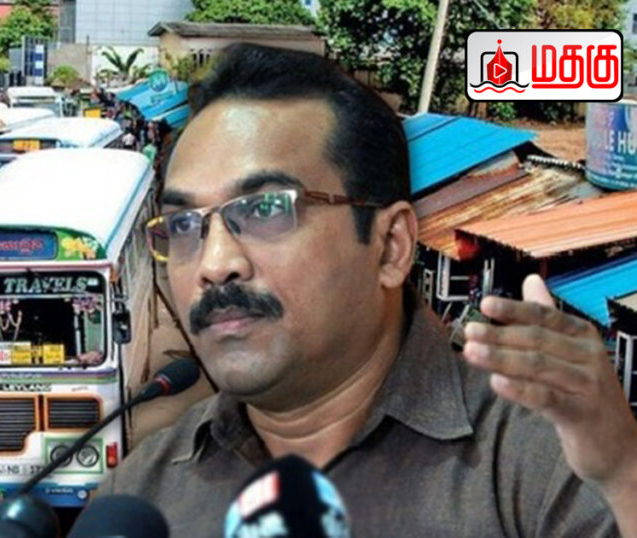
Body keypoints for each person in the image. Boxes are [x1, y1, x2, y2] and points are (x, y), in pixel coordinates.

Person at [98, 43, 637, 537]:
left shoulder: (545, 465)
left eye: (265, 209)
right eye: (184, 225)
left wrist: (624, 475)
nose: (215, 265)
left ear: (390, 247)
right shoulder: (140, 495)